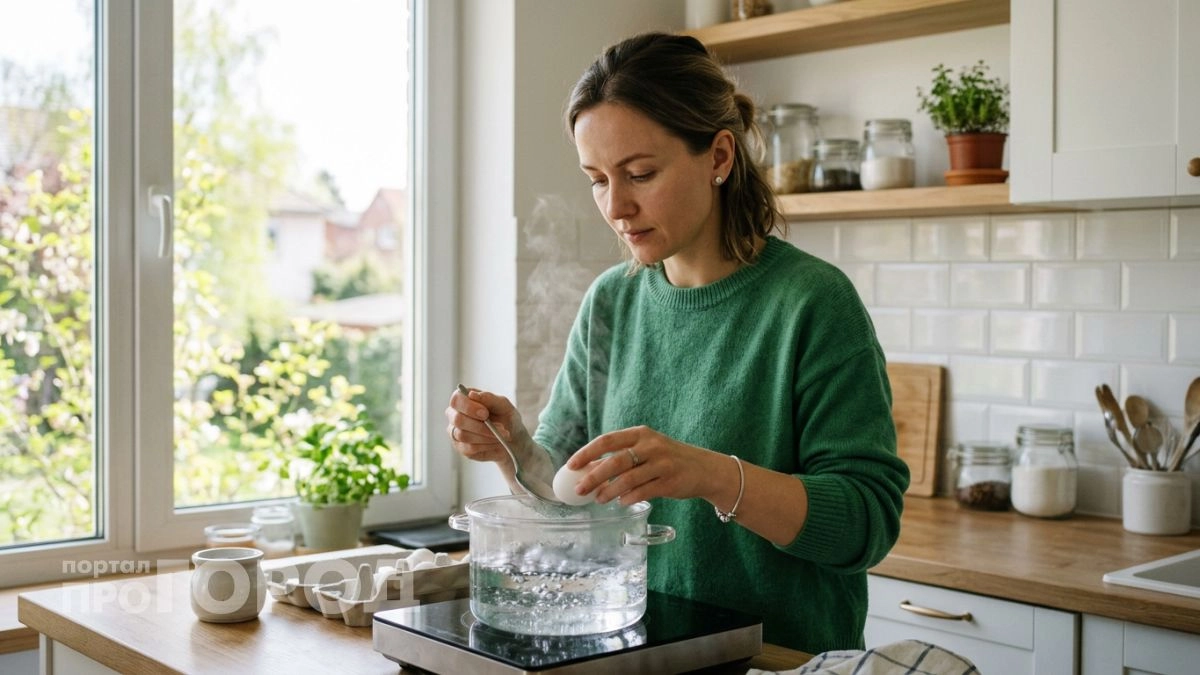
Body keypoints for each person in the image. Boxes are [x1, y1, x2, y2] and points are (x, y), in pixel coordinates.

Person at [445, 31, 909, 656]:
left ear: (719, 156)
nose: (616, 205)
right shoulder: (612, 301)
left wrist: (712, 476)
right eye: (597, 179)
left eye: (640, 173)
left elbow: (866, 522)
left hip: (778, 661)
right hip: (641, 653)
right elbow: (567, 501)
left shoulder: (812, 302)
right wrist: (513, 447)